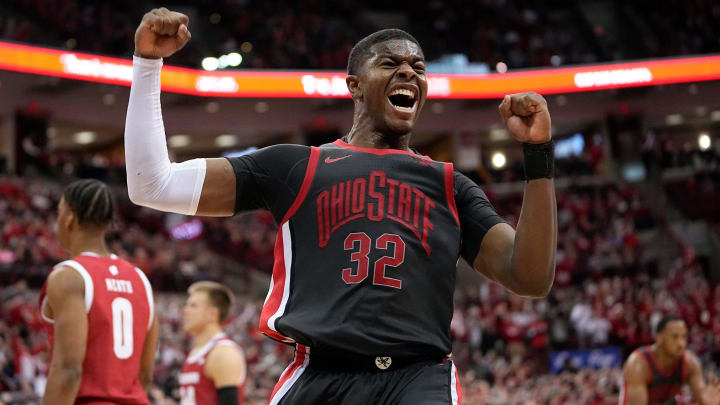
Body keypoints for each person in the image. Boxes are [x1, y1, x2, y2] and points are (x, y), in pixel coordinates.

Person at [125, 8, 557, 404]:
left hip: (417, 379)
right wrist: (147, 65)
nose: (408, 71)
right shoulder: (297, 167)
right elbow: (152, 185)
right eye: (390, 63)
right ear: (353, 84)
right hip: (318, 375)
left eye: (418, 67)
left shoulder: (451, 185)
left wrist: (538, 156)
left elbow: (531, 276)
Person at [39, 179, 159, 405]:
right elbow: (145, 374)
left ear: (69, 219)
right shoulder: (141, 279)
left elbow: (69, 371)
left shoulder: (68, 277)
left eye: (59, 213)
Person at [620, 315, 720, 405]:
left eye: (684, 337)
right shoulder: (638, 364)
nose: (681, 344)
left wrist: (709, 403)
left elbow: (703, 398)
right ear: (659, 338)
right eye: (675, 337)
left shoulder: (690, 362)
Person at [179, 281, 246, 405]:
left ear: (212, 314)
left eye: (193, 306)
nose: (185, 311)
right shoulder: (196, 351)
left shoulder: (223, 353)